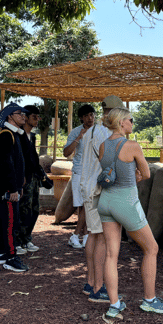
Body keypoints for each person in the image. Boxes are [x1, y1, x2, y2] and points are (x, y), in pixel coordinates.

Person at [97, 107, 163, 319]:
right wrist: (137, 175)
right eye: (130, 120)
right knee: (151, 248)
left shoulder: (103, 146)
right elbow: (147, 173)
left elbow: (110, 171)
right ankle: (149, 300)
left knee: (111, 254)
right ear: (121, 122)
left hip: (105, 201)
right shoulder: (132, 145)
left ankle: (114, 304)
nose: (132, 123)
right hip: (126, 201)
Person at [79, 95, 123, 303]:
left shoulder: (93, 130)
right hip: (97, 190)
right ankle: (98, 288)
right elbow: (109, 165)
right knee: (102, 237)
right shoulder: (106, 134)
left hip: (88, 187)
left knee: (93, 234)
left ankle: (90, 282)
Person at [0, 102, 29, 272]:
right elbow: (6, 165)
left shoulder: (13, 135)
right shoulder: (6, 136)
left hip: (11, 187)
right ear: (9, 116)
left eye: (24, 114)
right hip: (8, 188)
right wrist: (12, 189)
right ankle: (11, 257)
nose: (24, 116)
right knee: (11, 222)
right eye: (19, 113)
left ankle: (1, 253)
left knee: (6, 219)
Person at [14, 104, 47, 254]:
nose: (37, 120)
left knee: (34, 209)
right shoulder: (17, 135)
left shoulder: (32, 136)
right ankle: (17, 242)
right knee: (22, 210)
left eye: (38, 117)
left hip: (33, 178)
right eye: (34, 117)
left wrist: (41, 175)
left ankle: (26, 239)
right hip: (23, 179)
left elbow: (32, 158)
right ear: (26, 118)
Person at [64, 104, 96, 249]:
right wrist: (79, 137)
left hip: (94, 172)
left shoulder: (100, 131)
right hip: (79, 172)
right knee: (82, 205)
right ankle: (80, 235)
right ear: (82, 118)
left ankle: (83, 235)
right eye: (87, 115)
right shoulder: (76, 132)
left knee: (89, 204)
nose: (91, 118)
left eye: (92, 115)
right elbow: (66, 153)